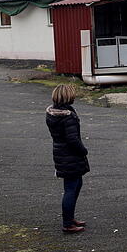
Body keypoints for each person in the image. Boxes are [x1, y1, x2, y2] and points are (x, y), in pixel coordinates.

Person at [45, 84, 90, 233]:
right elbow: (72, 140)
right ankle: (67, 223)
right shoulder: (67, 116)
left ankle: (70, 218)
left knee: (75, 185)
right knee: (71, 188)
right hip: (70, 155)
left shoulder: (52, 113)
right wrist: (83, 150)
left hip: (60, 153)